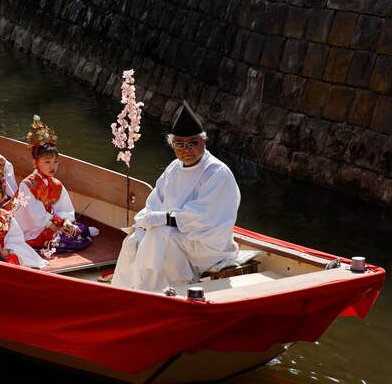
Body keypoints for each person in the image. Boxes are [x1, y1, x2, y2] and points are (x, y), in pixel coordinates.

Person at [111, 103, 240, 292]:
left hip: (207, 240)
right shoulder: (174, 168)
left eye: (192, 143)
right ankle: (124, 291)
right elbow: (155, 202)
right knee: (134, 238)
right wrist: (143, 220)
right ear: (172, 145)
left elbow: (203, 216)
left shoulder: (216, 172)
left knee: (160, 235)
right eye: (180, 144)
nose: (186, 149)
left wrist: (162, 219)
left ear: (203, 141)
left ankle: (163, 290)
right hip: (177, 231)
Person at [13, 116, 94, 253]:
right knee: (76, 239)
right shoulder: (27, 185)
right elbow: (34, 215)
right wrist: (58, 225)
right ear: (35, 162)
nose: (53, 166)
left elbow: (65, 209)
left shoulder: (56, 184)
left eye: (56, 162)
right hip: (32, 229)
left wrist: (66, 222)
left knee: (80, 231)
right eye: (47, 162)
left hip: (53, 224)